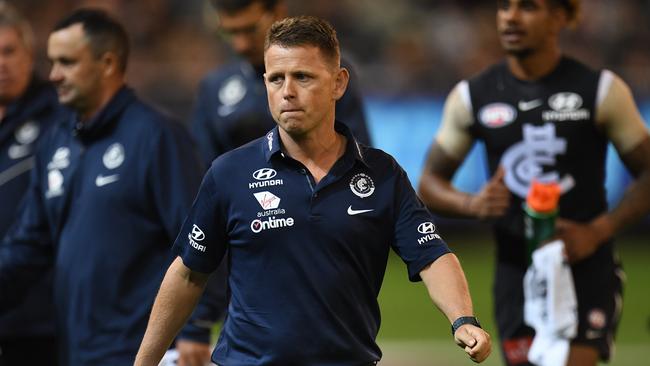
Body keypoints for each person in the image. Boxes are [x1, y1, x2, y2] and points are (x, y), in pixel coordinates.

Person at [135, 15, 491, 366]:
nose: (287, 91)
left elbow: (431, 255)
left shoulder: (381, 174)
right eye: (276, 79)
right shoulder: (229, 172)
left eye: (302, 76)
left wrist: (462, 319)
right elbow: (187, 272)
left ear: (338, 83)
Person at [418, 1, 650, 365]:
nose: (510, 16)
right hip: (515, 274)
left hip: (586, 269)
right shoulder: (473, 95)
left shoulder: (601, 90)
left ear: (559, 16)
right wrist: (472, 205)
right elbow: (429, 183)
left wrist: (596, 232)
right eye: (504, 6)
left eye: (527, 6)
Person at [0, 9, 226, 365]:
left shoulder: (156, 137)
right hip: (76, 349)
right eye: (53, 62)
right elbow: (28, 245)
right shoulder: (56, 143)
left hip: (143, 351)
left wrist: (196, 327)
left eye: (67, 62)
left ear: (107, 63)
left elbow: (201, 238)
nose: (54, 75)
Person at [192, 0, 371, 166]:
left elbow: (357, 155)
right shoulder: (213, 88)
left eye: (250, 29)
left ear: (278, 11)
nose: (241, 45)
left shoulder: (325, 73)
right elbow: (202, 170)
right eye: (230, 33)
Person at [0, 2, 68, 365]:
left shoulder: (61, 117)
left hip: (44, 318)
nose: (1, 64)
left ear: (29, 54)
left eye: (9, 51)